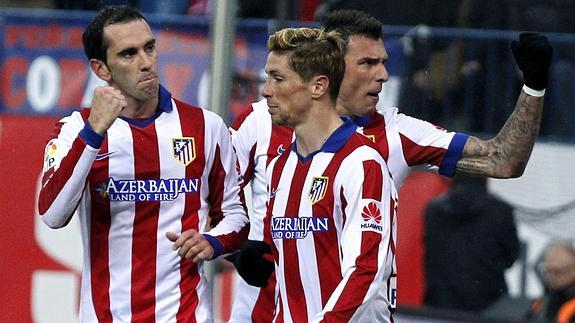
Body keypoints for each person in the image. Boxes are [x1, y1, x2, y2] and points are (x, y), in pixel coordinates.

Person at [228, 9, 553, 322]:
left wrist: (534, 87)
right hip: (262, 312)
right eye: (367, 63)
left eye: (383, 62)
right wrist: (236, 248)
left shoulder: (394, 134)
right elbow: (208, 189)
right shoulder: (263, 119)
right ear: (331, 67)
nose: (382, 74)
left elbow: (503, 160)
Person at [37, 5, 248, 322]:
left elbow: (236, 216)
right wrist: (94, 132)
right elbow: (52, 214)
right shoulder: (76, 130)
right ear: (101, 69)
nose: (146, 63)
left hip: (186, 315)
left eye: (150, 48)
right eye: (128, 54)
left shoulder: (205, 126)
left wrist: (213, 242)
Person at [263, 26, 397, 322]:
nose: (266, 90)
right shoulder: (280, 167)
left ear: (318, 86)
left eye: (278, 78)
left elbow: (365, 269)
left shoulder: (361, 164)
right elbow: (284, 280)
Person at [423, 174, 520, 312]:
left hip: (440, 307)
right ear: (486, 177)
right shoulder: (500, 211)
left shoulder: (433, 210)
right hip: (488, 308)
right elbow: (511, 257)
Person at [529, 241, 575, 323]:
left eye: (557, 271)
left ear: (572, 270)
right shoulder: (541, 303)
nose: (551, 276)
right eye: (548, 271)